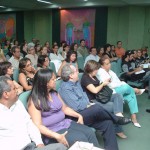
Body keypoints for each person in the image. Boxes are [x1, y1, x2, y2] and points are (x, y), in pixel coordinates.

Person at [58, 64, 131, 149]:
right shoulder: (65, 88)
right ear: (71, 75)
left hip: (86, 111)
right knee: (96, 107)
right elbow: (77, 107)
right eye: (76, 71)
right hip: (77, 117)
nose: (78, 72)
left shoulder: (76, 83)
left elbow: (85, 98)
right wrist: (86, 103)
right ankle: (117, 119)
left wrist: (86, 103)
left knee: (108, 123)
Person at [28, 68, 100, 148]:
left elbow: (64, 109)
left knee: (89, 132)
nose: (55, 80)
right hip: (53, 131)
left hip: (65, 123)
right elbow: (38, 125)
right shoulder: (34, 100)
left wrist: (79, 115)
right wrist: (56, 136)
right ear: (45, 83)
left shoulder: (54, 93)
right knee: (80, 138)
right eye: (53, 79)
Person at [0, 76, 67, 150]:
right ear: (6, 94)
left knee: (61, 147)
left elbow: (29, 124)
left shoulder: (17, 103)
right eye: (14, 89)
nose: (17, 90)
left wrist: (39, 143)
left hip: (30, 146)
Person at [97, 56, 145, 128]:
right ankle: (135, 90)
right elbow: (110, 85)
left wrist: (121, 84)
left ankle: (134, 117)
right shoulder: (100, 72)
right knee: (126, 87)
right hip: (110, 92)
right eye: (106, 64)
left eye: (109, 63)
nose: (109, 65)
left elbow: (118, 81)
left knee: (130, 95)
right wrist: (121, 84)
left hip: (118, 89)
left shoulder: (110, 71)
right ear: (102, 66)